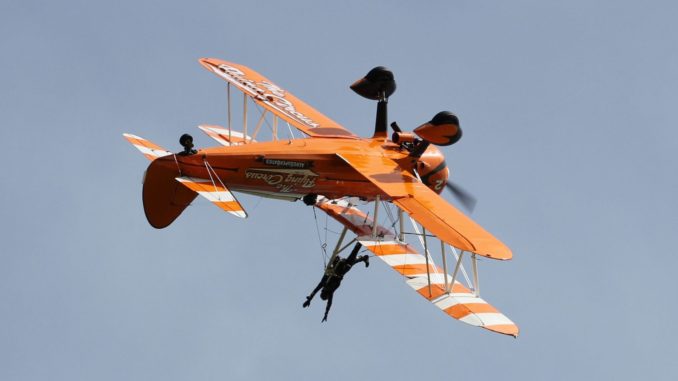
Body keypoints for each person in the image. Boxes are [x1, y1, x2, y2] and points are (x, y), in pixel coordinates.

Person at [303, 243, 369, 322]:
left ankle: (360, 246)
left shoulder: (325, 286)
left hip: (341, 266)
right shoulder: (328, 290)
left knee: (353, 255)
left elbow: (325, 300)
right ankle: (363, 257)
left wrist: (310, 300)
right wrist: (310, 299)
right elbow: (317, 293)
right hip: (343, 267)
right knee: (352, 259)